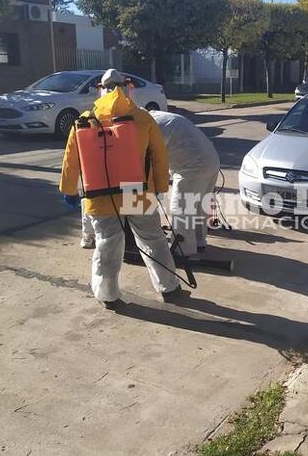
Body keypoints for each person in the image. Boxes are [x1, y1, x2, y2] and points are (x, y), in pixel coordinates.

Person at [59, 69, 183, 308]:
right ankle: (169, 288)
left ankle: (108, 295)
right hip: (136, 192)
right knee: (152, 238)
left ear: (100, 89)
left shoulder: (83, 120)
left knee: (107, 242)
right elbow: (159, 157)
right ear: (127, 88)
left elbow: (70, 159)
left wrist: (69, 189)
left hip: (100, 194)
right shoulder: (143, 118)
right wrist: (159, 187)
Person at [149, 110, 220, 257]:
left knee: (181, 209)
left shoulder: (151, 126)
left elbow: (153, 161)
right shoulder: (160, 117)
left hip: (192, 167)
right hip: (212, 159)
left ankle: (183, 249)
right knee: (199, 206)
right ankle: (199, 242)